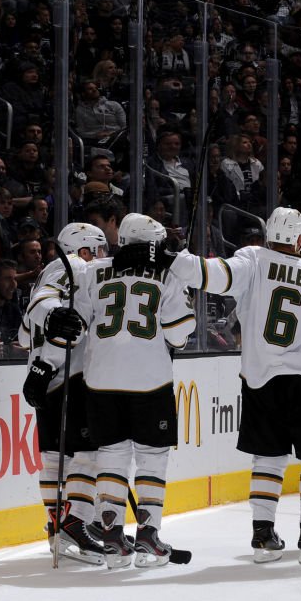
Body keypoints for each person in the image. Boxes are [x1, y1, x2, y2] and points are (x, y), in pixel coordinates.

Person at [112, 206, 301, 564]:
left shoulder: (252, 259)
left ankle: (263, 535)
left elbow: (207, 275)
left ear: (269, 237)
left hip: (259, 381)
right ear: (299, 239)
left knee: (267, 457)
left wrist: (172, 254)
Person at [72, 215, 196, 569]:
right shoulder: (166, 274)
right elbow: (179, 336)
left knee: (111, 455)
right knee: (151, 458)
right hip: (149, 380)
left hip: (99, 380)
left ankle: (112, 538)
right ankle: (147, 536)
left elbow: (75, 328)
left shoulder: (90, 271)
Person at [18, 223, 108, 565]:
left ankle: (58, 527)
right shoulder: (73, 268)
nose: (102, 258)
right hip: (70, 374)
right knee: (88, 452)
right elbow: (48, 307)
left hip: (45, 377)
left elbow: (25, 336)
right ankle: (77, 524)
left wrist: (41, 365)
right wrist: (57, 319)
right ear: (84, 250)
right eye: (98, 250)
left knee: (55, 457)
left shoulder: (46, 274)